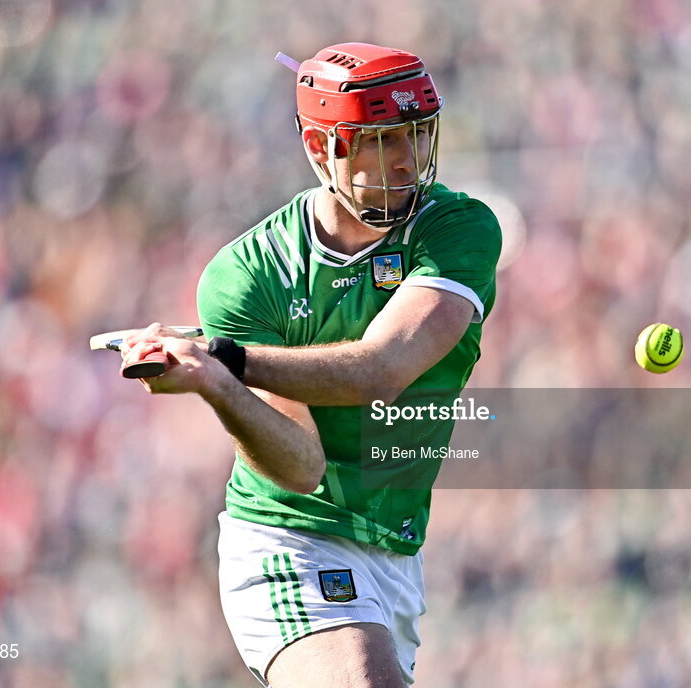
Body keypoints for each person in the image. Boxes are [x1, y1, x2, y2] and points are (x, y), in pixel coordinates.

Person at [121, 42, 501, 687]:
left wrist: (227, 360)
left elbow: (381, 369)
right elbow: (300, 467)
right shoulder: (246, 276)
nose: (408, 159)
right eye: (383, 140)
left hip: (394, 551)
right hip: (287, 539)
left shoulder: (458, 231)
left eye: (416, 133)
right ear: (324, 148)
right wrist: (220, 385)